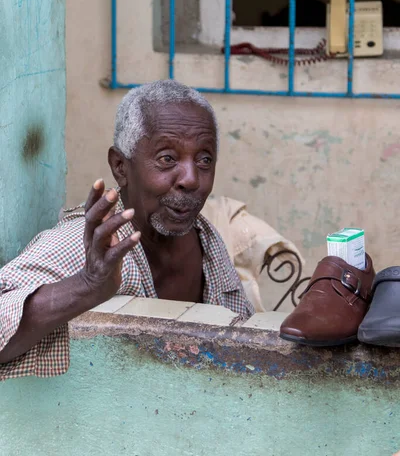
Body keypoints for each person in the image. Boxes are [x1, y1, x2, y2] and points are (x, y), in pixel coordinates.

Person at [0, 80, 254, 380]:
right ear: (120, 166)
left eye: (204, 159)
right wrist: (87, 285)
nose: (191, 178)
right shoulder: (85, 244)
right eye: (167, 159)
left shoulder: (206, 240)